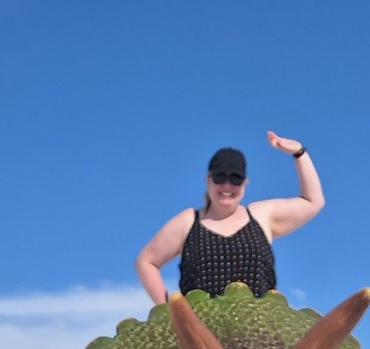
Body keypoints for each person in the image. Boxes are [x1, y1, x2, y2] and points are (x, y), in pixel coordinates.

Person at [135, 131, 325, 305]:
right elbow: (146, 261)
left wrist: (299, 153)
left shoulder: (261, 215)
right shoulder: (189, 221)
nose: (227, 186)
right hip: (201, 329)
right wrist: (167, 310)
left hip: (261, 328)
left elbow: (313, 201)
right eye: (220, 177)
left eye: (235, 179)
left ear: (245, 183)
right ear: (208, 180)